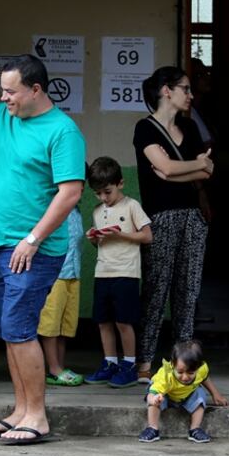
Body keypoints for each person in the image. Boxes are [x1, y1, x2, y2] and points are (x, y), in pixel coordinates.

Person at [0, 54, 85, 446]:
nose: (3, 99)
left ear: (36, 89)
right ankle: (19, 410)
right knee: (10, 332)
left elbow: (70, 192)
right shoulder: (4, 117)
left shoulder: (62, 131)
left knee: (21, 330)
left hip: (35, 249)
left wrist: (33, 238)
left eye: (11, 91)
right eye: (2, 91)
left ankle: (37, 416)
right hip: (3, 244)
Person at [133, 67, 214, 384]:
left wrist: (177, 171)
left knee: (188, 292)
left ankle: (185, 364)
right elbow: (165, 166)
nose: (191, 95)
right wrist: (196, 165)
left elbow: (203, 174)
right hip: (161, 217)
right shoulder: (145, 129)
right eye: (186, 88)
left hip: (192, 217)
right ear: (166, 90)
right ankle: (144, 362)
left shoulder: (190, 127)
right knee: (156, 288)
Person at [83, 156, 152, 388]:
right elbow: (100, 244)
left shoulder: (131, 205)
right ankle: (109, 363)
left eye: (107, 192)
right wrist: (95, 238)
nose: (103, 198)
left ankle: (129, 365)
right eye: (98, 194)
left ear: (120, 184)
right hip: (102, 272)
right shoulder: (97, 210)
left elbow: (147, 235)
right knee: (103, 321)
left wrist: (119, 234)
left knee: (124, 321)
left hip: (126, 273)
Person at [138, 340, 227, 444]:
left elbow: (204, 378)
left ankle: (195, 429)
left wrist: (215, 394)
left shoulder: (202, 369)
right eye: (180, 372)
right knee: (155, 401)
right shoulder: (166, 376)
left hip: (187, 395)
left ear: (198, 367)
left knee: (200, 394)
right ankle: (152, 428)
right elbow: (152, 393)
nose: (185, 377)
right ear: (172, 364)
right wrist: (153, 399)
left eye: (190, 372)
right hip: (165, 395)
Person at [39, 207, 86, 387]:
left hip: (73, 272)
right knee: (50, 323)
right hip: (55, 273)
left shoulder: (76, 211)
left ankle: (60, 367)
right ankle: (53, 368)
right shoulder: (52, 207)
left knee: (65, 325)